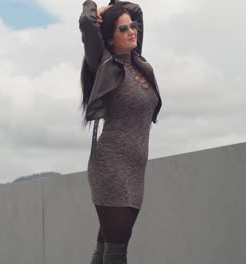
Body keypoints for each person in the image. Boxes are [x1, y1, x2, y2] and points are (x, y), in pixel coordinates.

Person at [78, 0, 162, 263]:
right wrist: (96, 8)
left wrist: (116, 7)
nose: (132, 31)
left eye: (133, 27)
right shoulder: (105, 64)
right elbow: (86, 22)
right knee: (116, 252)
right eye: (123, 29)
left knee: (105, 248)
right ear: (111, 40)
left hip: (135, 168)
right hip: (111, 166)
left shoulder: (137, 62)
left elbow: (136, 11)